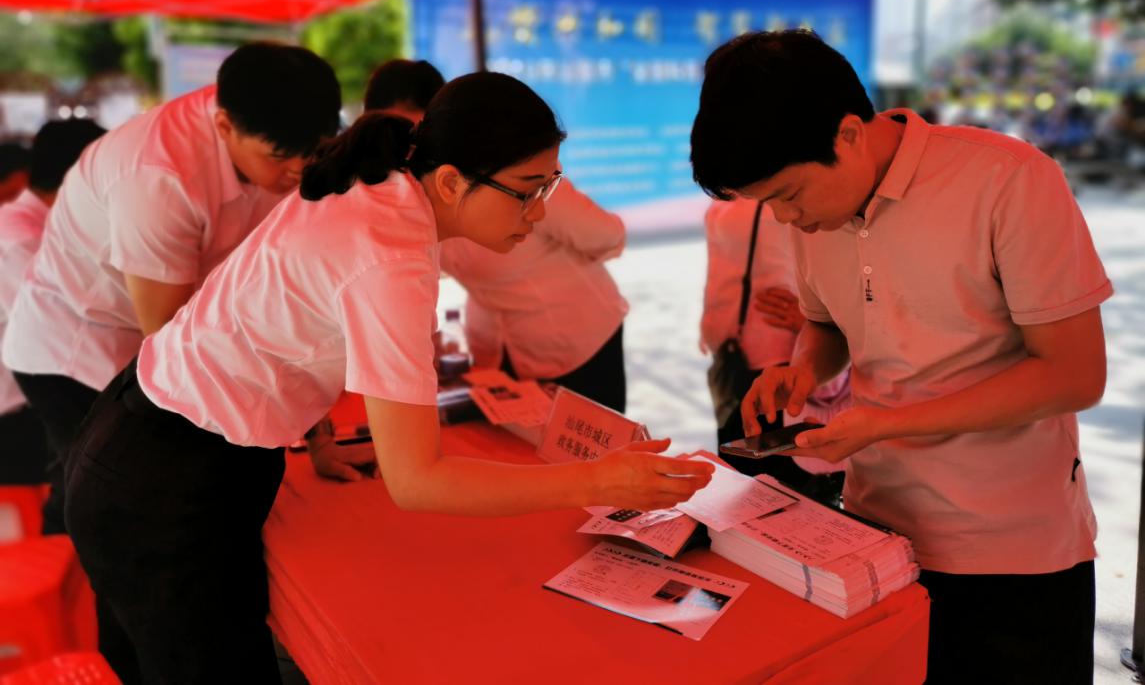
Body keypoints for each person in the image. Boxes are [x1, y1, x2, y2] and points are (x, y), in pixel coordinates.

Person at [65, 71, 713, 685]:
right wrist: (596, 480)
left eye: (549, 186)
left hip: (157, 437)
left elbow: (280, 314)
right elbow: (417, 480)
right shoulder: (392, 250)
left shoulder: (385, 180)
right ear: (452, 181)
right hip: (166, 479)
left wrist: (316, 434)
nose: (538, 213)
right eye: (527, 189)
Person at [690, 29, 1109, 684]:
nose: (786, 220)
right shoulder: (817, 217)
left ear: (848, 134)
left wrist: (887, 423)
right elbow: (826, 326)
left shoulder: (1008, 180)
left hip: (1010, 550)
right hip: (875, 534)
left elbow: (1073, 374)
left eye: (789, 195)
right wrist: (802, 369)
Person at [1, 43, 344, 531]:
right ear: (224, 125)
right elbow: (171, 346)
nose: (300, 171)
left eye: (315, 153)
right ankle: (72, 568)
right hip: (77, 348)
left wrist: (319, 434)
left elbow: (293, 296)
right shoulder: (160, 176)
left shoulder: (275, 136)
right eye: (280, 157)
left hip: (154, 334)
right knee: (112, 503)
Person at [364, 58, 631, 412]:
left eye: (414, 134)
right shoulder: (402, 201)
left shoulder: (520, 181)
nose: (408, 152)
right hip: (498, 349)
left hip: (578, 341)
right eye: (393, 136)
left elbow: (606, 235)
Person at [701, 197, 849, 503]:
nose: (784, 214)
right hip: (753, 357)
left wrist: (813, 320)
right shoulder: (735, 202)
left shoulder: (770, 202)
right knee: (752, 483)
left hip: (786, 359)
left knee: (771, 490)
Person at [441, 178, 630, 412]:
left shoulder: (528, 178)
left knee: (590, 430)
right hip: (492, 349)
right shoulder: (421, 192)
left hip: (577, 342)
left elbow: (607, 235)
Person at [0, 120, 105, 508]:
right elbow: (64, 325)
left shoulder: (44, 226)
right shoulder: (19, 237)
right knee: (59, 499)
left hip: (39, 395)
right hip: (18, 409)